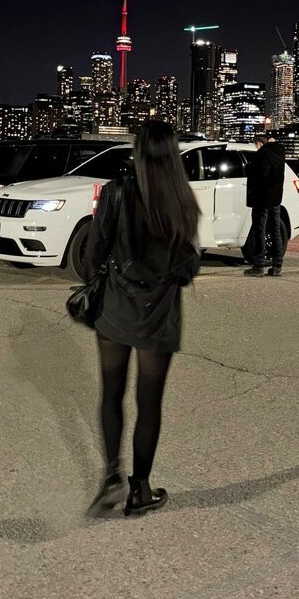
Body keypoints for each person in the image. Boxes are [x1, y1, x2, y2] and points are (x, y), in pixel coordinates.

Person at [80, 120, 201, 519]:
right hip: (159, 314)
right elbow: (188, 270)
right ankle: (140, 489)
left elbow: (93, 257)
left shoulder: (115, 193)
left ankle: (111, 477)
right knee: (149, 402)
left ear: (138, 153)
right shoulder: (183, 201)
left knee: (111, 394)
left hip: (115, 307)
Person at [244, 132, 286, 277]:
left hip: (261, 198)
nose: (256, 148)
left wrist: (250, 168)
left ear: (260, 144)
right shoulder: (279, 153)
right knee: (275, 230)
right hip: (276, 198)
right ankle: (277, 266)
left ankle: (258, 266)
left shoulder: (263, 154)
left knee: (259, 230)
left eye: (256, 146)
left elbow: (261, 174)